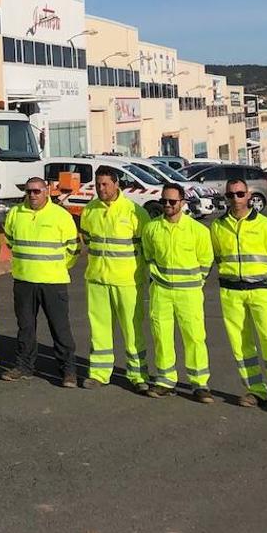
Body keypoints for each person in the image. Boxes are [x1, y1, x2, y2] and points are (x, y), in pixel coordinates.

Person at [211, 178, 267, 415]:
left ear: (248, 195)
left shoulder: (265, 225)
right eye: (230, 195)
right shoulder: (218, 227)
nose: (235, 199)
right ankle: (255, 391)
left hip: (260, 292)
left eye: (240, 194)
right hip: (231, 293)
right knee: (241, 345)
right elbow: (218, 257)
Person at [1, 177, 81, 387]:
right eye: (28, 192)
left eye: (37, 191)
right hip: (24, 281)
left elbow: (73, 248)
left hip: (53, 282)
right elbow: (10, 241)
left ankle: (68, 371)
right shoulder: (15, 214)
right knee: (25, 327)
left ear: (46, 191)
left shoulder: (60, 216)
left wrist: (57, 267)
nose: (32, 195)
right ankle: (24, 366)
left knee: (60, 328)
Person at [78, 166, 151, 391]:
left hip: (127, 281)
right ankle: (99, 373)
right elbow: (88, 240)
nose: (101, 189)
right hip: (97, 279)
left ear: (117, 184)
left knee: (132, 330)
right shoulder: (90, 210)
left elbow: (146, 247)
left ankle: (138, 376)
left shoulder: (134, 212)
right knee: (99, 329)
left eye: (105, 184)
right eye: (98, 184)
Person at [142, 183, 215, 402]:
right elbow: (149, 255)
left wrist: (195, 282)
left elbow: (206, 261)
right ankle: (165, 380)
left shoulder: (198, 231)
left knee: (194, 337)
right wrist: (156, 277)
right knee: (162, 336)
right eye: (164, 201)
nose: (167, 205)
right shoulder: (152, 228)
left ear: (182, 203)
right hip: (161, 291)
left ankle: (200, 383)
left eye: (172, 201)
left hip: (189, 294)